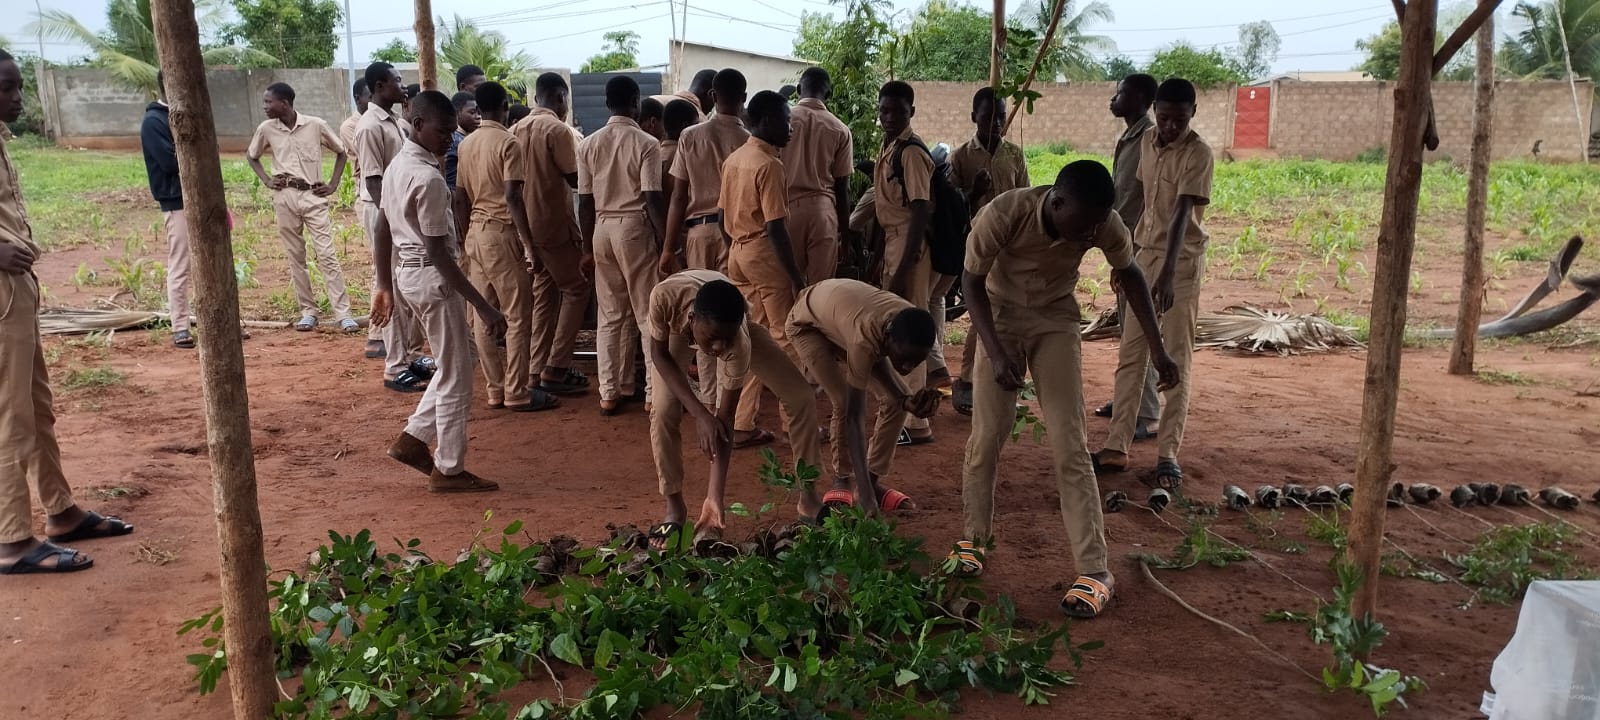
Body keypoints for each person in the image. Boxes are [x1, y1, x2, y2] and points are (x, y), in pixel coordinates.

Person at [953, 161, 1180, 620]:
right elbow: (971, 283)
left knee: (1070, 445)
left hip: (1055, 320)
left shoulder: (1103, 222)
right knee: (987, 438)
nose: (1089, 235)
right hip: (998, 316)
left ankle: (1096, 571)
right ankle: (972, 542)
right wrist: (996, 353)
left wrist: (1158, 351)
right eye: (1083, 226)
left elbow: (1131, 273)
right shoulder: (1004, 213)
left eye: (1097, 226)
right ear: (1056, 203)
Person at [0, 49, 135, 576]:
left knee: (36, 405)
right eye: (8, 89)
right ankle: (12, 539)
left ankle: (60, 511)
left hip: (16, 291)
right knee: (11, 416)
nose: (18, 98)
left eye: (16, 87)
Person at [371, 90, 506, 493]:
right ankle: (448, 469)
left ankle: (413, 440)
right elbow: (438, 252)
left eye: (452, 132)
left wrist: (384, 282)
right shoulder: (427, 178)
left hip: (413, 276)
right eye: (442, 131)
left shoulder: (400, 165)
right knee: (456, 377)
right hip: (434, 278)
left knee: (456, 364)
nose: (448, 138)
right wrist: (484, 307)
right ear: (417, 125)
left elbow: (382, 227)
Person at [645, 271, 822, 550]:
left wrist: (715, 497)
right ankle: (675, 509)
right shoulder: (663, 297)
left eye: (725, 341)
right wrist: (700, 414)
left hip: (725, 320)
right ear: (693, 321)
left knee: (800, 396)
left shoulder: (736, 342)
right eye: (713, 339)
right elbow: (658, 354)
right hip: (675, 331)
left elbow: (725, 419)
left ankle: (809, 497)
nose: (718, 348)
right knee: (664, 409)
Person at [1095, 78, 1215, 491]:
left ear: (1193, 114)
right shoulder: (1146, 141)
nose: (1169, 126)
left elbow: (1182, 211)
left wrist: (1165, 273)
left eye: (1178, 119)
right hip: (1142, 256)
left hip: (1179, 264)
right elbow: (1142, 204)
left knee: (1176, 357)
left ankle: (1167, 455)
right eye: (1163, 117)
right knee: (1132, 354)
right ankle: (1117, 445)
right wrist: (1125, 259)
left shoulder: (1199, 154)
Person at [787, 279, 940, 517]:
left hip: (847, 321)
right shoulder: (865, 338)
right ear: (889, 339)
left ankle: (869, 482)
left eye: (916, 360)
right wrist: (902, 396)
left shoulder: (907, 325)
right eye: (904, 358)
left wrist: (905, 400)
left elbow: (880, 357)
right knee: (845, 401)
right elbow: (854, 419)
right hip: (807, 325)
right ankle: (843, 479)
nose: (908, 366)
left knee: (896, 403)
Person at [455, 82, 559, 413]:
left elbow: (459, 196)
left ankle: (495, 389)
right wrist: (529, 246)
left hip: (475, 233)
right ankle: (517, 391)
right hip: (501, 234)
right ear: (504, 104)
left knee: (483, 315)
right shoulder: (508, 142)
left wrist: (462, 238)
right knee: (517, 315)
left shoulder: (466, 143)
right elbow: (513, 196)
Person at [577, 75, 667, 416]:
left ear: (606, 103)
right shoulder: (647, 143)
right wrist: (666, 242)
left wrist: (587, 247)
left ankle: (609, 392)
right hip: (634, 227)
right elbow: (652, 197)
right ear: (637, 101)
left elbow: (585, 201)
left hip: (601, 228)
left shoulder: (588, 144)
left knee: (610, 316)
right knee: (647, 315)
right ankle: (651, 395)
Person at [721, 90, 804, 450]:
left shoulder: (735, 158)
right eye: (786, 120)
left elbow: (724, 216)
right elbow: (776, 228)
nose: (790, 128)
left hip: (738, 251)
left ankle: (741, 422)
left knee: (753, 336)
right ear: (768, 120)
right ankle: (794, 423)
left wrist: (736, 254)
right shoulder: (770, 165)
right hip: (762, 252)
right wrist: (797, 279)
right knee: (788, 338)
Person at [246, 82, 358, 334]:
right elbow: (252, 155)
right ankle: (308, 312)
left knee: (327, 254)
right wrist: (266, 180)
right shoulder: (266, 129)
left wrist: (333, 184)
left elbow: (341, 152)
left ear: (284, 103)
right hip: (284, 196)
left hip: (312, 196)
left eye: (268, 102)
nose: (264, 107)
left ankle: (343, 313)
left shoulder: (315, 125)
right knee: (296, 256)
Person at [945, 86, 1031, 414]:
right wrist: (972, 190)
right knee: (984, 307)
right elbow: (952, 206)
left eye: (1000, 116)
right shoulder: (962, 156)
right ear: (974, 118)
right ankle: (967, 378)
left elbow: (1024, 196)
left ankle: (997, 375)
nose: (995, 123)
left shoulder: (1014, 154)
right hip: (979, 243)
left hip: (1012, 245)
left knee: (1006, 309)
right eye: (987, 116)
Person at [356, 62, 433, 391]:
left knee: (401, 287)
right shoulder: (370, 126)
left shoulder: (394, 122)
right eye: (396, 81)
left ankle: (405, 356)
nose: (402, 85)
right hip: (382, 212)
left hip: (394, 212)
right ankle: (394, 367)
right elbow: (374, 181)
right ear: (378, 86)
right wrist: (393, 219)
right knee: (388, 287)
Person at [513, 72, 591, 397]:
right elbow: (576, 181)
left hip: (525, 229)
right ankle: (556, 367)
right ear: (561, 98)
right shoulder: (556, 129)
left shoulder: (514, 129)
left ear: (535, 99)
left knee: (545, 293)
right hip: (553, 225)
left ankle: (535, 370)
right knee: (577, 288)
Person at [1093, 73, 1162, 439]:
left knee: (1138, 329)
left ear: (1137, 98)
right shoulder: (1133, 135)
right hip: (1125, 244)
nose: (1113, 98)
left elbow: (1148, 198)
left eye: (1119, 93)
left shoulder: (1148, 139)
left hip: (1139, 247)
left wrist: (1133, 250)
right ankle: (1128, 401)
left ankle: (1147, 411)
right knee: (1127, 328)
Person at [871, 80, 936, 444]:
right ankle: (906, 410)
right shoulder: (890, 147)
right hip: (895, 243)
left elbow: (920, 211)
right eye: (884, 110)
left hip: (910, 248)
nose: (889, 117)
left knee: (911, 330)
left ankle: (916, 422)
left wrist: (903, 267)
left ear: (912, 111)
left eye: (897, 111)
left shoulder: (911, 152)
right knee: (898, 327)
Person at [661, 69, 748, 278]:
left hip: (698, 235)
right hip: (735, 235)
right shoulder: (750, 141)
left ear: (713, 96)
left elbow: (679, 196)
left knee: (700, 299)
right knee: (734, 302)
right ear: (743, 98)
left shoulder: (689, 136)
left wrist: (668, 248)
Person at [784, 67, 853, 287]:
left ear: (798, 90)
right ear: (829, 94)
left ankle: (787, 322)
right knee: (820, 290)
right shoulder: (841, 129)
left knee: (786, 285)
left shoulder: (782, 122)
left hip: (784, 211)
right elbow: (842, 188)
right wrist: (845, 233)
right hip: (823, 213)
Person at [140, 71, 194, 349]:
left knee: (213, 263)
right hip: (177, 202)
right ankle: (181, 327)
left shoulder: (184, 116)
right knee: (181, 265)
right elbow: (173, 163)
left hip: (199, 201)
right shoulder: (154, 122)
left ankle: (219, 321)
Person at [660, 99, 698, 203]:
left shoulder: (655, 154)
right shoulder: (683, 156)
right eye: (695, 125)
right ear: (686, 127)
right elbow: (680, 196)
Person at [444, 91, 481, 190]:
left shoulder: (466, 137)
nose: (478, 117)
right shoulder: (456, 140)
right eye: (472, 112)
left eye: (479, 113)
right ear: (457, 113)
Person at [339, 79, 370, 186]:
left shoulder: (389, 119)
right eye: (370, 97)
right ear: (357, 99)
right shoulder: (349, 127)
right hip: (366, 188)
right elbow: (370, 154)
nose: (375, 102)